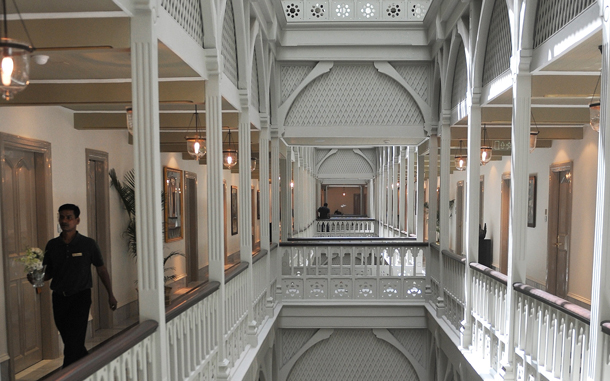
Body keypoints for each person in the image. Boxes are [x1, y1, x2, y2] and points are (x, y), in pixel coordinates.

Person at [33, 204, 117, 368]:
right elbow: (48, 272)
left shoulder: (88, 244)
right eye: (62, 217)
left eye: (69, 217)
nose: (65, 220)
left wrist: (110, 294)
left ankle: (67, 374)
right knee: (71, 341)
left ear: (77, 220)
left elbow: (101, 270)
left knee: (73, 342)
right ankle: (91, 366)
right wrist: (37, 278)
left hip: (80, 298)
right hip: (59, 298)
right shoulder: (52, 245)